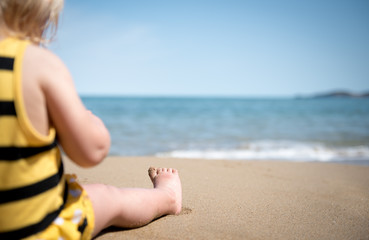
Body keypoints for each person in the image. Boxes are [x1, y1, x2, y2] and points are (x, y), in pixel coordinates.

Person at [0, 0, 182, 239]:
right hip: (42, 231)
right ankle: (167, 197)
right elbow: (92, 151)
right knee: (107, 196)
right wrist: (89, 121)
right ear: (39, 17)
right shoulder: (37, 63)